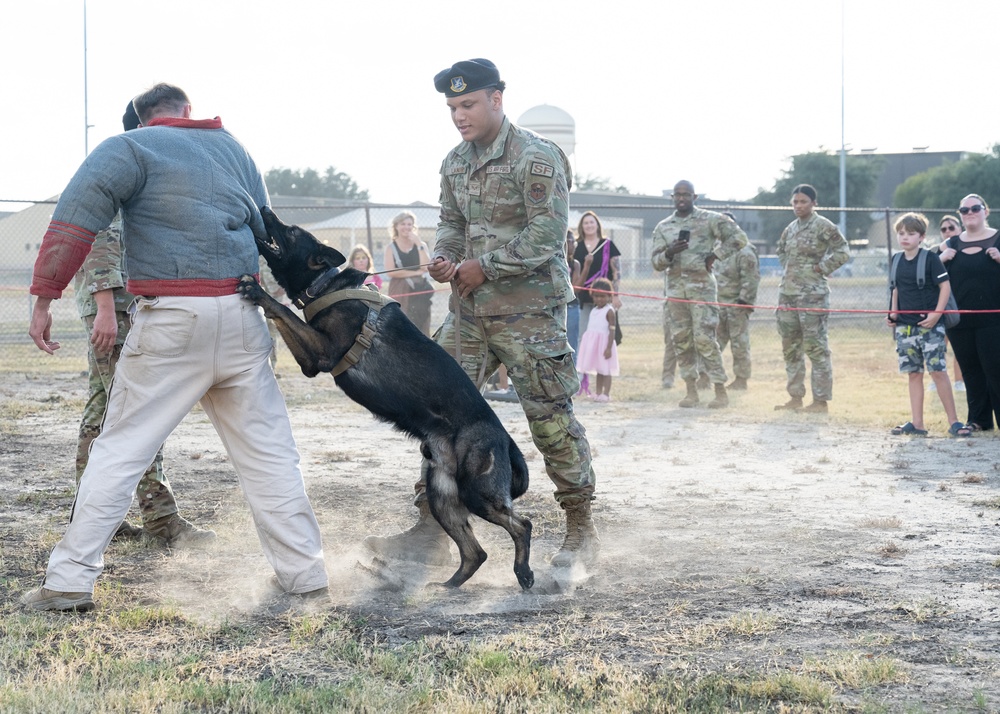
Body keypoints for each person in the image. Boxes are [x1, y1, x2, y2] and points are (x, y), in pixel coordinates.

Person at [23, 83, 328, 612]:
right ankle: (306, 574)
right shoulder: (234, 148)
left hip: (172, 319)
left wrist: (44, 298)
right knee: (271, 456)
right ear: (187, 111)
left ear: (143, 119)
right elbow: (270, 232)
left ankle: (69, 582)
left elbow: (74, 221)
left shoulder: (130, 147)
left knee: (120, 451)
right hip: (242, 316)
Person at [364, 58, 599, 569]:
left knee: (550, 420)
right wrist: (446, 257)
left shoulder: (536, 157)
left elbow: (546, 234)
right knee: (437, 418)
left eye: (468, 104)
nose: (459, 116)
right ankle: (432, 529)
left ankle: (581, 529)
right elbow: (450, 222)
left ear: (496, 98)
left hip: (529, 314)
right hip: (468, 315)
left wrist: (483, 267)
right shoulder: (454, 162)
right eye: (452, 107)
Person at [72, 98, 215, 548]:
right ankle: (161, 521)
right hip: (115, 305)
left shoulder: (138, 163)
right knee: (137, 411)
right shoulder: (126, 163)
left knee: (104, 409)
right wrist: (106, 307)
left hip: (121, 303)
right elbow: (97, 235)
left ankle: (96, 518)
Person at [650, 180, 748, 409]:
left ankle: (720, 391)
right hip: (676, 293)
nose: (681, 198)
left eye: (686, 194)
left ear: (695, 197)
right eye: (677, 194)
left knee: (705, 340)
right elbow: (655, 263)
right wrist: (669, 252)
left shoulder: (710, 219)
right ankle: (691, 392)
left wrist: (716, 255)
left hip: (702, 291)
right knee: (682, 341)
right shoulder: (663, 227)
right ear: (672, 197)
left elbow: (739, 238)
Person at [774, 184, 850, 413]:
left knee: (816, 349)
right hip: (788, 295)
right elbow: (780, 250)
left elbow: (843, 251)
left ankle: (820, 401)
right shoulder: (790, 228)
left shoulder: (823, 225)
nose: (798, 206)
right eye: (795, 202)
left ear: (814, 203)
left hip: (813, 296)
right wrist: (791, 270)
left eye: (803, 202)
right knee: (790, 348)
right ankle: (795, 397)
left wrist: (820, 268)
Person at [886, 212, 962, 437]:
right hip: (905, 327)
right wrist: (893, 313)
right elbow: (895, 288)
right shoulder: (896, 259)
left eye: (911, 234)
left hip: (930, 326)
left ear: (921, 237)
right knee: (913, 373)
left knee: (938, 371)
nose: (905, 237)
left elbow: (945, 287)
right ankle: (917, 423)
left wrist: (937, 314)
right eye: (901, 233)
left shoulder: (930, 259)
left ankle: (954, 422)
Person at [938, 193, 1000, 433]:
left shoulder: (998, 239)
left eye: (975, 208)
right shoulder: (950, 244)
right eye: (964, 210)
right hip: (960, 320)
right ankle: (979, 420)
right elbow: (930, 273)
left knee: (994, 368)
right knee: (971, 370)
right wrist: (940, 259)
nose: (970, 213)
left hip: (993, 318)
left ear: (986, 211)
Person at [572, 211, 621, 395]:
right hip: (584, 299)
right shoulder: (576, 246)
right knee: (583, 337)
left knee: (605, 335)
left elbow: (616, 272)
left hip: (605, 299)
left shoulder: (607, 245)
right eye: (585, 223)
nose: (589, 226)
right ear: (581, 226)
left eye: (592, 222)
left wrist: (615, 295)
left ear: (597, 224)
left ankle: (603, 373)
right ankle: (581, 379)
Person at [715, 212, 761, 390]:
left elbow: (751, 279)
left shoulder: (745, 250)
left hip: (737, 305)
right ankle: (707, 376)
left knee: (739, 343)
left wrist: (743, 303)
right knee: (713, 342)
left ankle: (741, 379)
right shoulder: (717, 250)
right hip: (718, 304)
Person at [384, 211, 433, 335]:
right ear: (396, 226)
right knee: (401, 324)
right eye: (403, 224)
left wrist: (418, 244)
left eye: (409, 224)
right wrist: (415, 272)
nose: (406, 227)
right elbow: (391, 272)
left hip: (419, 288)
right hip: (400, 288)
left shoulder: (421, 245)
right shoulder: (391, 248)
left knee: (422, 324)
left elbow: (425, 266)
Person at [575, 278, 619, 403]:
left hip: (605, 346)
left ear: (609, 296)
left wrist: (608, 348)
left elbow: (612, 331)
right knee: (600, 370)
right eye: (596, 296)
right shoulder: (594, 310)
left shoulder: (609, 311)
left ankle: (606, 394)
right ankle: (598, 392)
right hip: (595, 346)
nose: (599, 299)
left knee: (606, 370)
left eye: (602, 296)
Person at [934, 215, 965, 394]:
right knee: (939, 346)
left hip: (961, 305)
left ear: (960, 229)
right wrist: (941, 258)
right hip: (941, 306)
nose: (947, 232)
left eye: (951, 228)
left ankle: (959, 381)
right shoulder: (936, 252)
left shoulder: (966, 249)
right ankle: (937, 380)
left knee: (960, 347)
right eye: (944, 229)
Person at [565, 229, 582, 361]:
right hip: (555, 308)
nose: (572, 245)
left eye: (573, 241)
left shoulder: (575, 264)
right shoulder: (552, 263)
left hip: (571, 308)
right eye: (569, 241)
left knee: (572, 346)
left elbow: (576, 289)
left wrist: (587, 266)